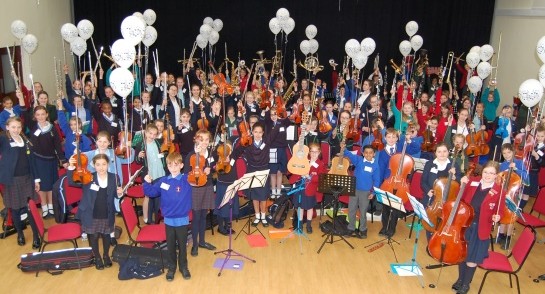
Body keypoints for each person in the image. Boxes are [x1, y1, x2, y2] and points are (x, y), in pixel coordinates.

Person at [451, 161, 505, 294]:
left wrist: (497, 216)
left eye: (492, 173)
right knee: (463, 254)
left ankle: (466, 284)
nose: (488, 175)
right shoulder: (472, 181)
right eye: (486, 172)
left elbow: (500, 210)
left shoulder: (499, 190)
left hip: (480, 228)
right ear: (482, 171)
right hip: (465, 224)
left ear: (496, 175)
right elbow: (460, 198)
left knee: (472, 257)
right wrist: (462, 184)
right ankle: (460, 279)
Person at [67, 154, 122, 270]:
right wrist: (71, 167)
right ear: (94, 166)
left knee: (106, 235)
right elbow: (72, 182)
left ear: (108, 165)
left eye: (104, 164)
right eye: (98, 165)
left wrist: (120, 193)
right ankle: (97, 257)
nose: (101, 167)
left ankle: (106, 255)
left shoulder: (114, 177)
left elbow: (116, 195)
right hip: (90, 212)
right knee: (94, 236)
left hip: (106, 211)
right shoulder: (88, 177)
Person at [143, 152, 192, 281]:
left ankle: (183, 267)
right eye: (170, 165)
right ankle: (171, 268)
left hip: (182, 219)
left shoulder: (187, 179)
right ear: (167, 167)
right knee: (170, 246)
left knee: (182, 245)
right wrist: (147, 183)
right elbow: (151, 192)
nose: (173, 168)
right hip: (169, 220)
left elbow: (199, 180)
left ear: (181, 165)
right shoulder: (163, 181)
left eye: (176, 165)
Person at [0, 117, 41, 248]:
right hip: (12, 181)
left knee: (31, 208)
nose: (16, 130)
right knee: (15, 209)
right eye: (13, 127)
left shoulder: (25, 140)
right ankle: (20, 234)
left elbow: (32, 162)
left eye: (18, 127)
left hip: (28, 178)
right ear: (7, 127)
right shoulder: (4, 139)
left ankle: (36, 236)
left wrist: (36, 179)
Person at [25, 106, 68, 218]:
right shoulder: (32, 127)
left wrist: (62, 160)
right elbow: (24, 113)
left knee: (51, 184)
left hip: (51, 160)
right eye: (38, 115)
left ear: (47, 114)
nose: (40, 117)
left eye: (43, 114)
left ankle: (50, 206)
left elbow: (57, 146)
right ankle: (44, 207)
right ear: (34, 116)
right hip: (38, 161)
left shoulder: (52, 128)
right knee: (42, 185)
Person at [378, 128, 420, 237]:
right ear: (385, 138)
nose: (391, 139)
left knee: (396, 206)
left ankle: (392, 228)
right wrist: (379, 184)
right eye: (389, 137)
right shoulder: (382, 153)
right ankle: (384, 227)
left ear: (397, 138)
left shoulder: (402, 148)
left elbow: (416, 149)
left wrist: (410, 140)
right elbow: (381, 170)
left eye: (393, 137)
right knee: (386, 206)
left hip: (401, 183)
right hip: (388, 182)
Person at [183, 130, 216, 256]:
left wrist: (210, 171)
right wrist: (200, 170)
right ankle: (195, 245)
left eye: (207, 140)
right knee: (196, 217)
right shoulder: (191, 155)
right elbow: (186, 174)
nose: (204, 143)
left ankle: (202, 241)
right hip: (196, 188)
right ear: (196, 140)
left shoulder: (211, 154)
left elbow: (213, 168)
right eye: (201, 140)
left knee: (204, 216)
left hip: (207, 186)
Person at [420, 143, 462, 239]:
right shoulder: (429, 164)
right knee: (430, 221)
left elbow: (459, 182)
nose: (442, 154)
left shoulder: (454, 164)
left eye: (444, 151)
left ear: (448, 152)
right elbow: (423, 182)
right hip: (432, 198)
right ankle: (430, 241)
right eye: (439, 151)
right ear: (435, 153)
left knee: (445, 221)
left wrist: (455, 176)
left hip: (448, 198)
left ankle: (440, 241)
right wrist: (428, 191)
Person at [342, 144, 381, 238]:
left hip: (366, 192)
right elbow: (349, 155)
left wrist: (373, 193)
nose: (368, 154)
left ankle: (363, 229)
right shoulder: (359, 160)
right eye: (366, 153)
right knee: (351, 210)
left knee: (363, 212)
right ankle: (351, 228)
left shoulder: (375, 166)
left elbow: (377, 181)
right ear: (363, 153)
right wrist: (344, 148)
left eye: (370, 153)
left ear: (374, 154)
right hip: (354, 190)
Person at [290, 143, 327, 233]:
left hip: (310, 190)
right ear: (309, 152)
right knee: (300, 207)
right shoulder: (304, 160)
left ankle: (309, 225)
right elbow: (295, 171)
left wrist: (310, 177)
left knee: (310, 207)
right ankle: (300, 224)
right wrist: (300, 174)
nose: (314, 154)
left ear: (319, 152)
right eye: (312, 151)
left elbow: (321, 178)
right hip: (301, 187)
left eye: (316, 152)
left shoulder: (321, 164)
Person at [134, 124, 167, 224]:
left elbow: (164, 155)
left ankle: (160, 215)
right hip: (149, 173)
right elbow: (137, 161)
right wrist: (139, 156)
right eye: (150, 133)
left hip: (160, 171)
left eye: (154, 134)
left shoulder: (158, 142)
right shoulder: (140, 144)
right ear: (146, 133)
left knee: (162, 194)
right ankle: (146, 217)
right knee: (148, 196)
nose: (152, 136)